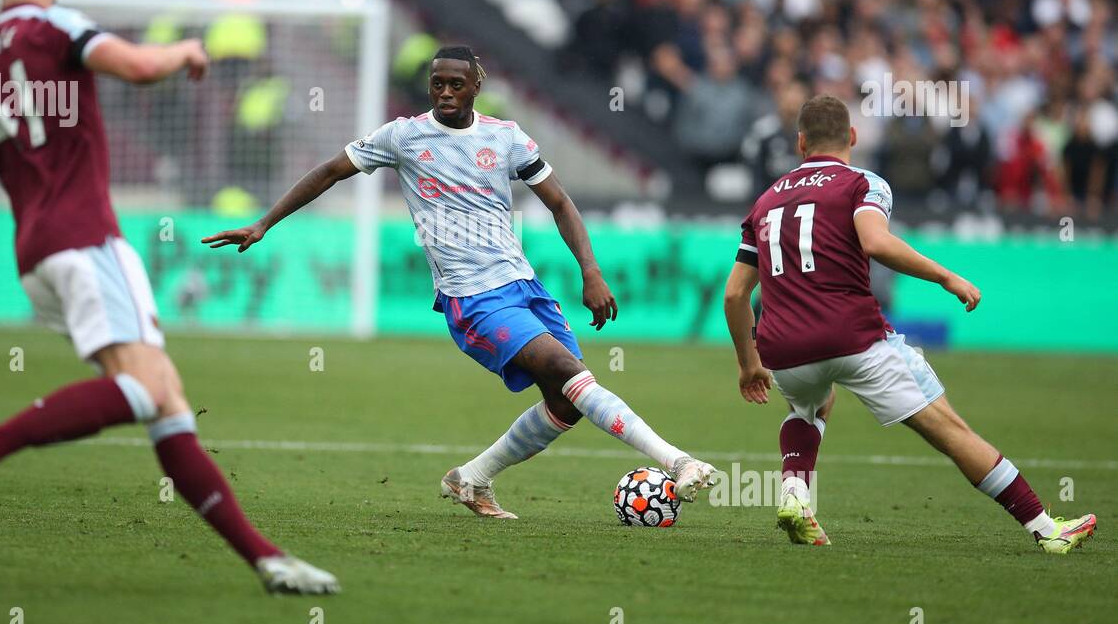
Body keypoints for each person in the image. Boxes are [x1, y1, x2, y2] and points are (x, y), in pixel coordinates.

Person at [0, 0, 336, 594]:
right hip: (86, 238)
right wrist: (185, 48)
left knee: (166, 402)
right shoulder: (60, 27)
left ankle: (265, 560)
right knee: (151, 390)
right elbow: (139, 68)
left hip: (34, 254)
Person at [204, 46, 718, 518]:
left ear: (476, 87)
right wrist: (264, 223)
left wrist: (591, 271)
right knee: (567, 371)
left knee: (565, 401)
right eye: (437, 85)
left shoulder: (506, 137)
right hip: (470, 296)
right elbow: (330, 171)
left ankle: (470, 480)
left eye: (456, 84)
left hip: (523, 285)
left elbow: (560, 202)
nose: (445, 93)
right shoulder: (403, 136)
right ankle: (677, 461)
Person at [721, 94, 1095, 553]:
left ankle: (795, 495)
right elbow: (875, 243)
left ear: (800, 143)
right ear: (852, 137)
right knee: (951, 430)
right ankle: (1045, 529)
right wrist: (945, 275)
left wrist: (748, 363)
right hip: (854, 338)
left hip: (784, 350)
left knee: (811, 407)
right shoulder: (862, 183)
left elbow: (736, 293)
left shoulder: (766, 200)